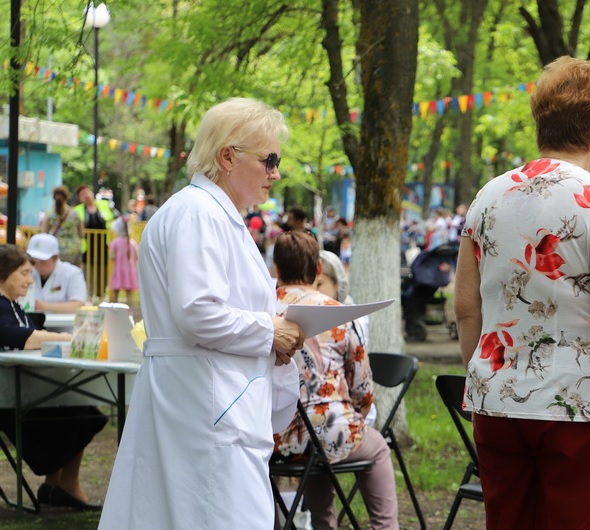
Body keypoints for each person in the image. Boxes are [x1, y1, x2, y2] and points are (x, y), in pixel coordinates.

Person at [455, 56, 590, 530]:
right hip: (577, 405)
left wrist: (484, 379)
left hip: (496, 399)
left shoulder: (487, 196)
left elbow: (467, 308)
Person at [98, 97, 306, 530]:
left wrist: (273, 333)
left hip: (206, 396)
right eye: (268, 160)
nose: (275, 173)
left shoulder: (211, 215)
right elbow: (199, 313)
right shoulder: (199, 214)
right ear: (227, 157)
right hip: (205, 400)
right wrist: (270, 331)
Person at [272, 232, 398, 530]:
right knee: (377, 448)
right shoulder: (338, 314)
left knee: (315, 452)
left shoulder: (260, 313)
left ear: (275, 268)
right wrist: (357, 416)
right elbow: (362, 389)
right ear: (318, 268)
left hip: (274, 438)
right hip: (332, 431)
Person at [0, 244, 106, 511]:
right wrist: (65, 338)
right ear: (3, 274)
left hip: (23, 389)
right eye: (24, 273)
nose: (30, 280)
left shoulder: (12, 305)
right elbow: (19, 337)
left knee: (84, 410)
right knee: (81, 413)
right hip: (9, 398)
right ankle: (65, 486)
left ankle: (56, 485)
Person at [24, 234, 87, 314]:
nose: (37, 265)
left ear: (55, 258)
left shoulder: (72, 273)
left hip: (63, 322)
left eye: (43, 262)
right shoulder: (25, 273)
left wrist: (44, 307)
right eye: (33, 261)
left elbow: (78, 305)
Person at [38, 186, 84, 266]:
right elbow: (81, 234)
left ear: (54, 198)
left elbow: (44, 232)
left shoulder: (49, 214)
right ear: (66, 198)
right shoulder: (75, 214)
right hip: (73, 250)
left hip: (55, 250)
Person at [107, 218, 138, 305]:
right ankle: (130, 308)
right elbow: (136, 256)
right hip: (130, 271)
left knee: (115, 291)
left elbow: (111, 256)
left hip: (118, 270)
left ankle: (114, 307)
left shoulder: (115, 242)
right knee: (129, 292)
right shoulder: (132, 243)